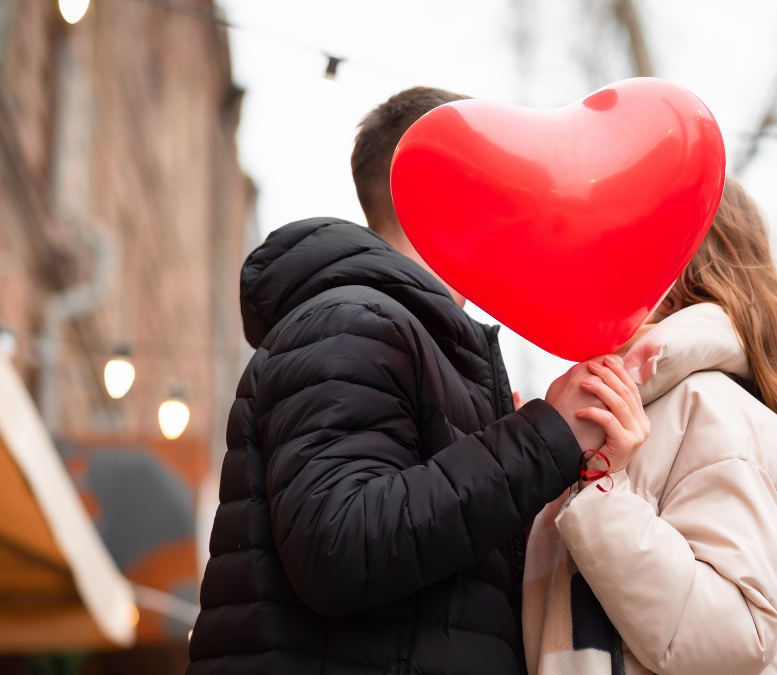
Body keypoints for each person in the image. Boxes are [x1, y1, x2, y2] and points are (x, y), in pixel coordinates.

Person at [188, 87, 626, 675]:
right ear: (442, 189)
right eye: (494, 186)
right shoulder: (354, 323)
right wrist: (541, 439)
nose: (513, 213)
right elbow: (339, 544)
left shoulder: (404, 335)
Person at [523, 177, 777, 675]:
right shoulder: (664, 406)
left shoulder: (708, 406)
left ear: (671, 266)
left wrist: (602, 491)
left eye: (624, 244)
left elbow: (730, 635)